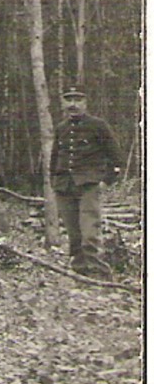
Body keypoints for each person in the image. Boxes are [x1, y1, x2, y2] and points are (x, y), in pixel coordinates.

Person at [49, 86, 121, 277]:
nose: (73, 104)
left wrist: (106, 181)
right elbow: (55, 157)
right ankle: (80, 273)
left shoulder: (98, 125)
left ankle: (98, 273)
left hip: (89, 185)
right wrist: (54, 180)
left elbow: (116, 157)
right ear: (63, 103)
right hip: (64, 185)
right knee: (73, 233)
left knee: (90, 232)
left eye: (78, 100)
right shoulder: (61, 128)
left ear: (86, 102)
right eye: (69, 99)